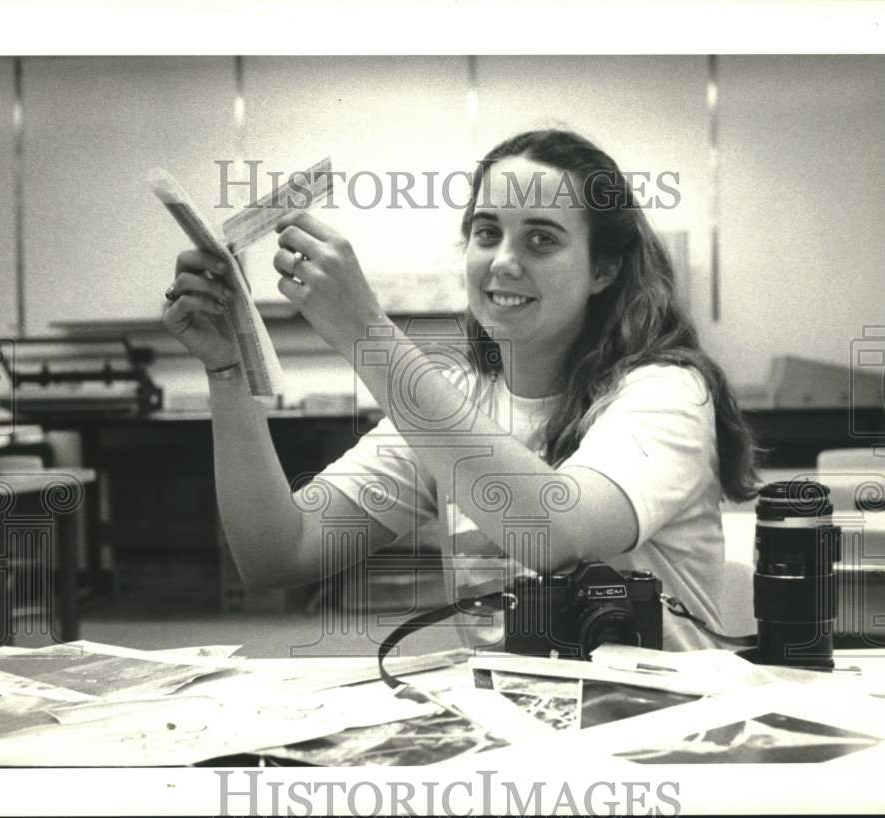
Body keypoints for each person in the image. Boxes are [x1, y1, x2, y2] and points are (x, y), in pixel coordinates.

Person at [162, 129, 760, 652]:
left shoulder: (667, 395)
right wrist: (227, 372)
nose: (502, 261)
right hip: (514, 733)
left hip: (659, 733)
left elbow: (552, 532)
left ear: (603, 269)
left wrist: (366, 333)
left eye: (542, 239)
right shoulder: (451, 404)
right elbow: (279, 552)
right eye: (486, 232)